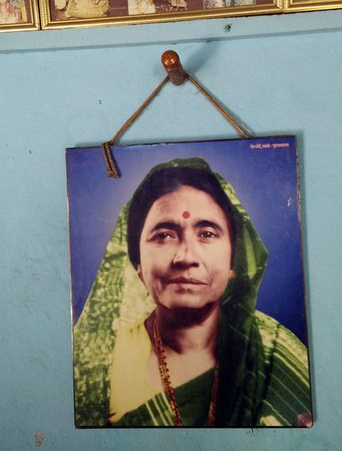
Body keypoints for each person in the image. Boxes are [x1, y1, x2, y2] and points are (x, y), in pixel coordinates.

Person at [73, 158, 312, 427]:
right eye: (163, 235)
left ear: (234, 261)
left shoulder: (276, 353)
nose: (186, 257)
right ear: (137, 264)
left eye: (207, 233)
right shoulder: (98, 364)